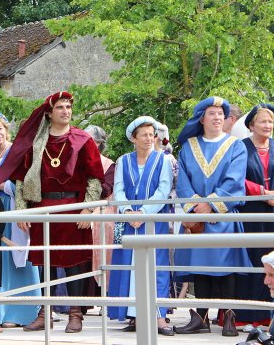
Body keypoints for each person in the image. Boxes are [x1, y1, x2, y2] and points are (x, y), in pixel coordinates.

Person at [0, 91, 105, 334]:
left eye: (68, 107)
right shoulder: (36, 143)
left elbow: (95, 178)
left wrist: (88, 208)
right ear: (49, 113)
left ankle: (75, 314)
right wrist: (22, 211)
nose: (66, 111)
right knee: (45, 264)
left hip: (73, 209)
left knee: (75, 263)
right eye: (60, 107)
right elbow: (21, 179)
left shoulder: (83, 140)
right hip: (42, 209)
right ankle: (45, 312)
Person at [173, 96, 251, 337]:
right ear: (202, 118)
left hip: (223, 218)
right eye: (212, 113)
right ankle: (201, 317)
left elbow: (235, 180)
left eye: (221, 113)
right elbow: (183, 183)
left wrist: (213, 206)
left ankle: (228, 317)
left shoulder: (236, 146)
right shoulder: (189, 146)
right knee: (200, 268)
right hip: (197, 220)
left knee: (226, 268)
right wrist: (198, 208)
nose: (217, 117)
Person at [107, 116, 174, 336]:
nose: (149, 138)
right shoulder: (123, 161)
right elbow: (119, 189)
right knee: (131, 265)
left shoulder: (163, 160)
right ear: (134, 138)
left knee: (157, 266)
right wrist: (127, 212)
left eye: (151, 134)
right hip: (129, 222)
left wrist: (144, 213)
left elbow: (163, 190)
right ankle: (134, 314)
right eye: (144, 134)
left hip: (154, 221)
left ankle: (159, 317)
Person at [0, 111, 41, 328]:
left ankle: (23, 313)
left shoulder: (20, 152)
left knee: (19, 257)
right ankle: (0, 314)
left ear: (7, 130)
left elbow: (30, 183)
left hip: (15, 208)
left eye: (0, 129)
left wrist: (6, 185)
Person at [235, 104, 274, 326]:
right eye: (263, 121)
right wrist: (261, 192)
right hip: (250, 213)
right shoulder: (240, 148)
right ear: (252, 125)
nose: (267, 125)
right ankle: (248, 316)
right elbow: (236, 178)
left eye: (270, 121)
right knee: (252, 262)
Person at [83, 125, 115, 290]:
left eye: (92, 142)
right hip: (78, 207)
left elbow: (105, 189)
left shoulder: (108, 164)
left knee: (101, 226)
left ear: (99, 144)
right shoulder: (75, 162)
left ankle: (104, 289)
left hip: (101, 209)